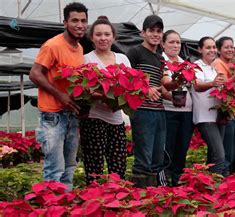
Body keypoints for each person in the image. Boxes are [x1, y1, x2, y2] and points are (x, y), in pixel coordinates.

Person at [29, 2, 88, 190]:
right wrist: (60, 96)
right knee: (55, 169)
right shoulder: (53, 45)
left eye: (83, 21)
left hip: (71, 114)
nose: (80, 25)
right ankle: (51, 208)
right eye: (75, 20)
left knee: (69, 167)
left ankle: (65, 208)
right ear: (65, 23)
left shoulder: (79, 48)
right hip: (52, 115)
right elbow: (35, 74)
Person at [80, 16, 129, 184]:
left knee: (119, 165)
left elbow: (130, 87)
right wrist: (103, 95)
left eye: (107, 34)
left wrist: (119, 96)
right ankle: (93, 201)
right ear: (91, 37)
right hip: (94, 119)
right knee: (94, 167)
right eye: (98, 34)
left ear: (113, 37)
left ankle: (116, 202)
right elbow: (82, 91)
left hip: (116, 120)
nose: (103, 38)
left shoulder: (122, 59)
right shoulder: (86, 59)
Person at [126, 15, 167, 187]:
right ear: (143, 33)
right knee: (144, 157)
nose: (155, 34)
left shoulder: (160, 58)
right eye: (151, 30)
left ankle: (155, 198)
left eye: (159, 31)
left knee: (158, 157)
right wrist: (145, 89)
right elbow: (127, 80)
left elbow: (162, 86)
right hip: (142, 111)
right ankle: (141, 198)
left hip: (159, 111)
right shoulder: (135, 52)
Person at [160, 30, 193, 186]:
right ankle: (166, 181)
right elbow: (162, 86)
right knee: (168, 147)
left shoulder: (184, 63)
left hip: (186, 111)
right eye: (171, 42)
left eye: (178, 42)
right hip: (168, 110)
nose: (175, 45)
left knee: (182, 147)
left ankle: (178, 180)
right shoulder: (161, 61)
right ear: (163, 44)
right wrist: (170, 98)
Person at [191, 36, 226, 175]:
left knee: (213, 156)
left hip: (217, 117)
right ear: (200, 49)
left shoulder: (214, 69)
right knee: (219, 156)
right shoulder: (196, 66)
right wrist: (212, 83)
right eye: (208, 47)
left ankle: (207, 185)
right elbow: (197, 86)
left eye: (213, 47)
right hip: (205, 117)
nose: (212, 50)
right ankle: (216, 187)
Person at [212, 36, 235, 174]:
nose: (230, 50)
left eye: (232, 47)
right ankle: (222, 179)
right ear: (219, 50)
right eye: (226, 47)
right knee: (226, 152)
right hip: (226, 112)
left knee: (231, 151)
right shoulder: (218, 63)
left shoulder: (232, 64)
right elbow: (223, 87)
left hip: (233, 111)